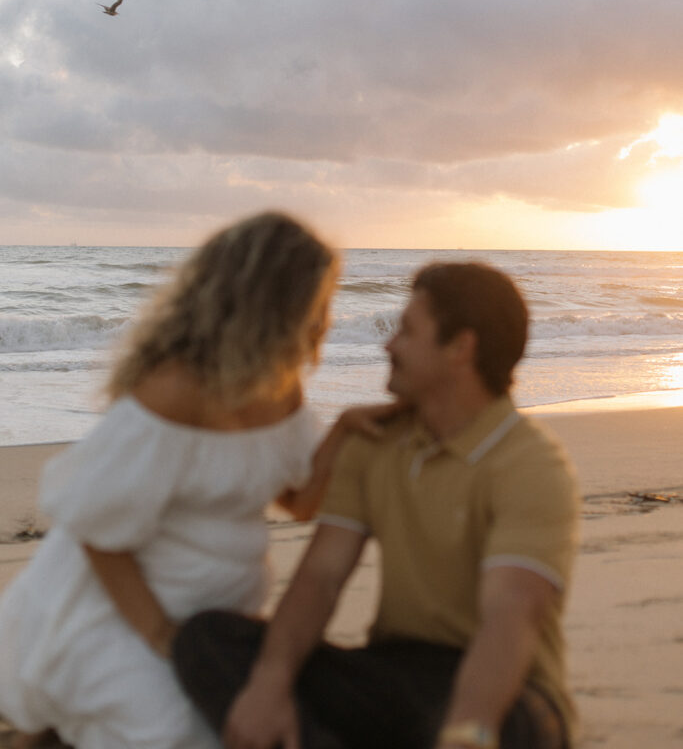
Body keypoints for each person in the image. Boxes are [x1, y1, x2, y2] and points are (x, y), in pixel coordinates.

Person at [0, 212, 393, 749]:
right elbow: (96, 531)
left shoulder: (282, 387)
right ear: (272, 302)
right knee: (171, 732)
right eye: (318, 299)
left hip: (216, 621)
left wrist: (345, 429)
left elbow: (300, 502)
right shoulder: (173, 391)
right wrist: (161, 638)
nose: (324, 316)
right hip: (128, 612)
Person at [173, 261, 580, 749]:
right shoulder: (374, 446)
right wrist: (270, 684)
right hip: (395, 671)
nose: (388, 345)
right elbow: (321, 578)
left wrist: (468, 732)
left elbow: (511, 616)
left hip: (509, 691)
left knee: (506, 729)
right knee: (207, 641)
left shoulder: (531, 464)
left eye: (407, 331)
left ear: (460, 348)